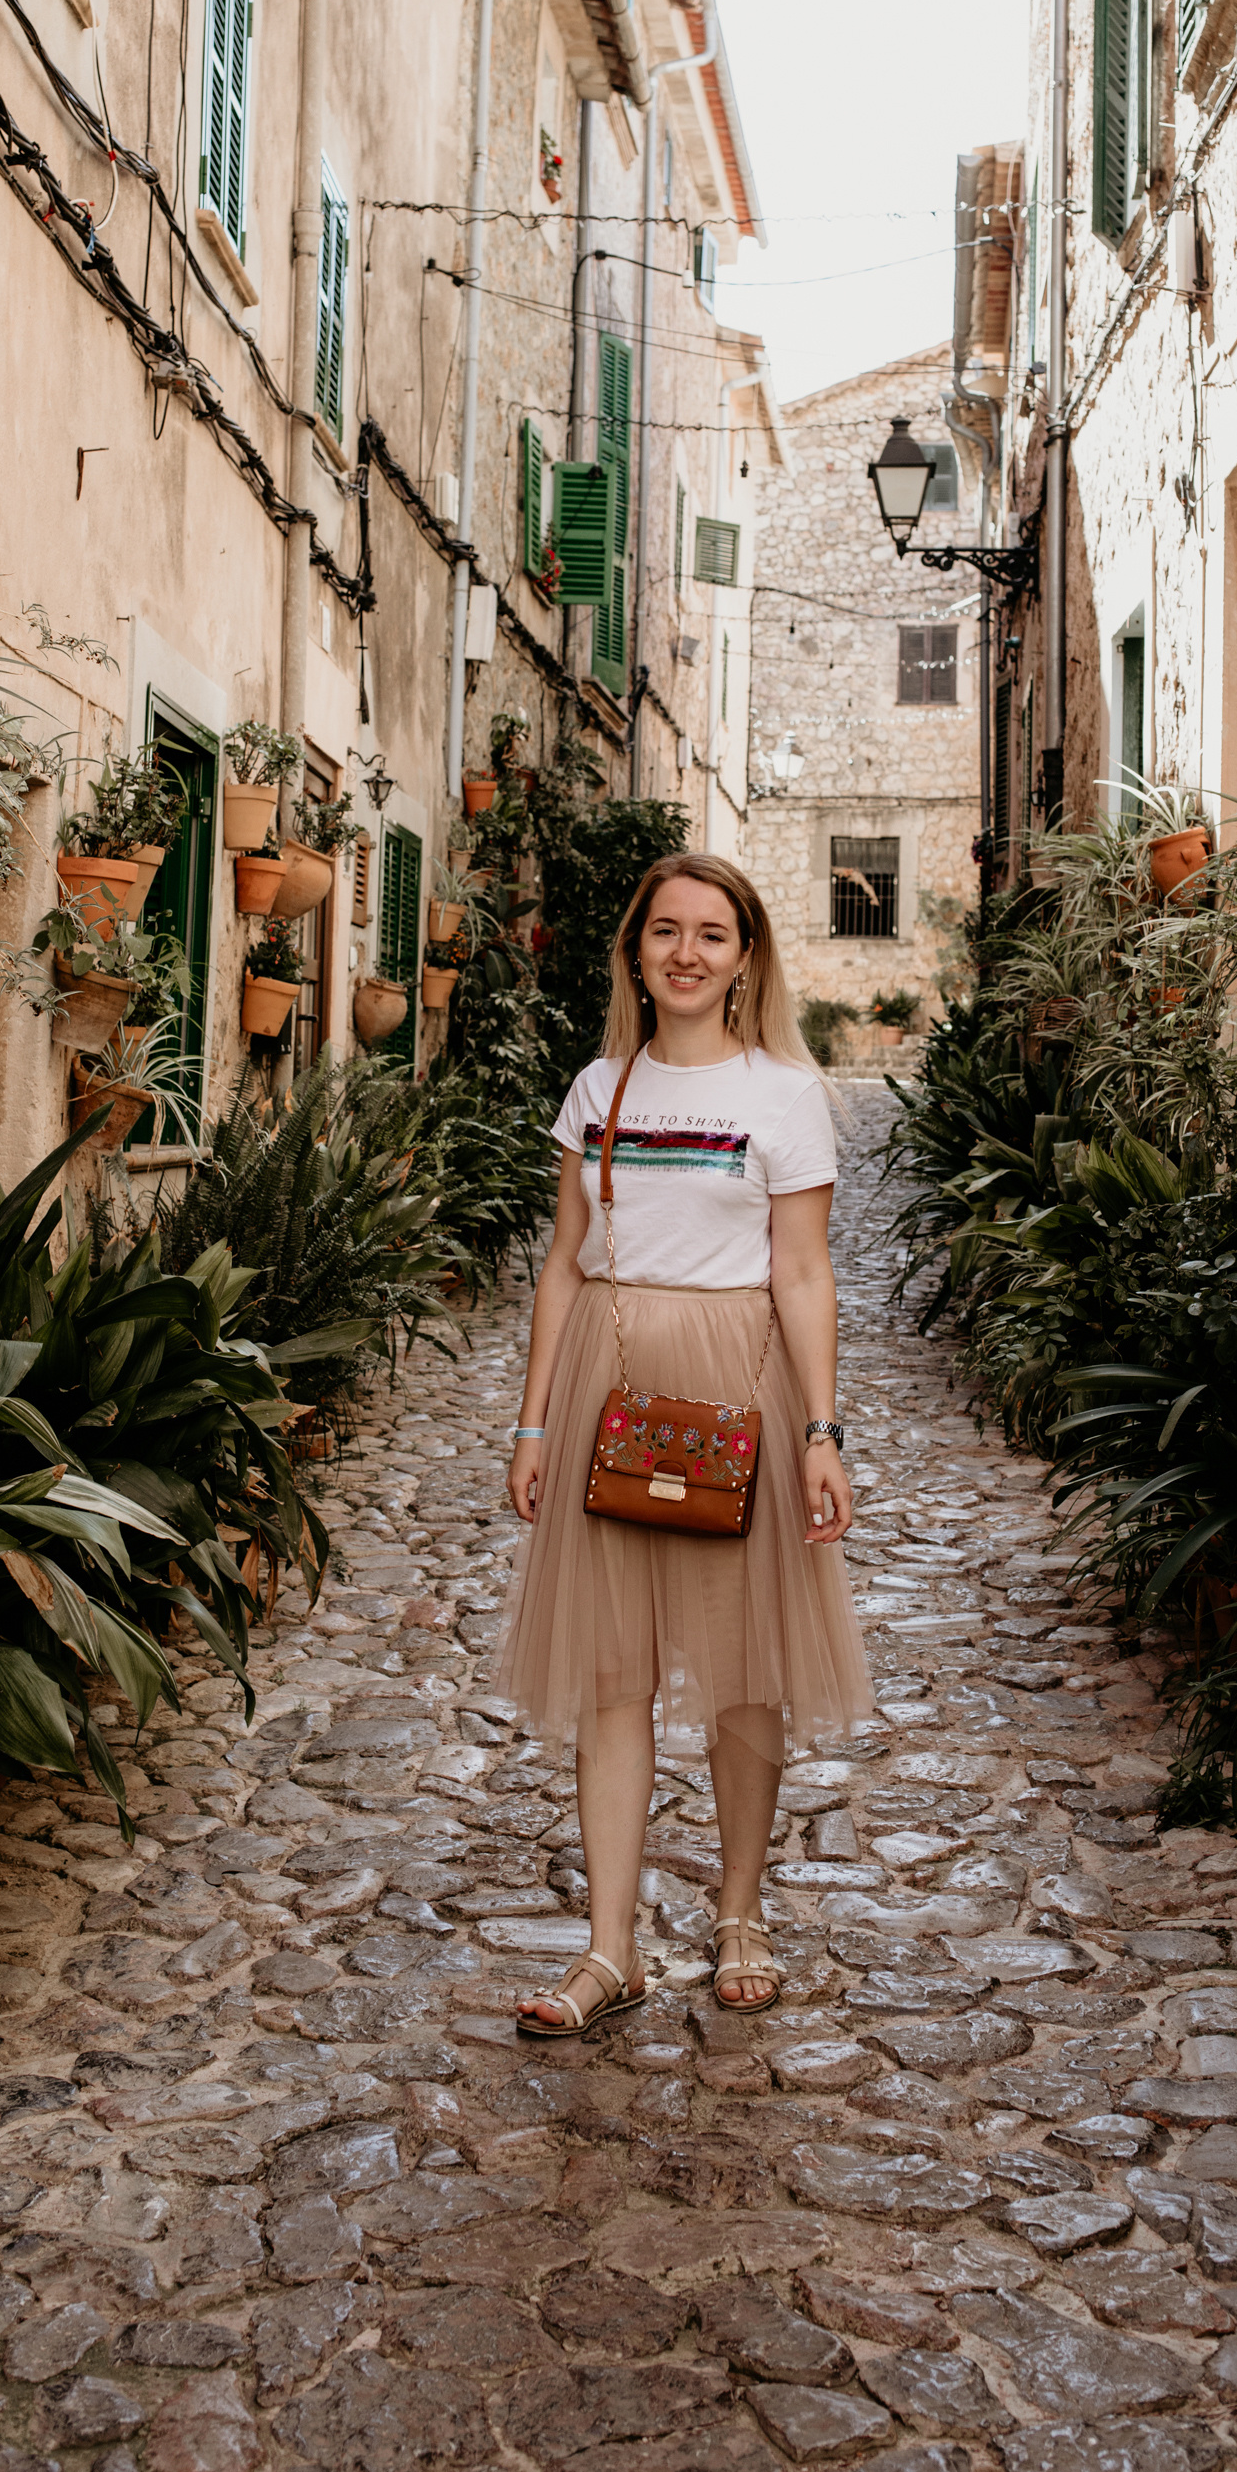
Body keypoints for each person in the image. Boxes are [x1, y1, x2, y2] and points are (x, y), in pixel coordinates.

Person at [497, 851, 876, 2032]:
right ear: (635, 953)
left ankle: (739, 1913)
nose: (687, 953)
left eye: (712, 934)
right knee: (611, 1675)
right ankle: (611, 1949)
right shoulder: (598, 1088)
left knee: (741, 1668)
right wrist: (531, 1417)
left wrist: (820, 1429)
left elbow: (802, 1272)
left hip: (736, 1388)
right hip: (610, 1391)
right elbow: (564, 1265)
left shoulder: (781, 1096)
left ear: (745, 956)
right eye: (665, 931)